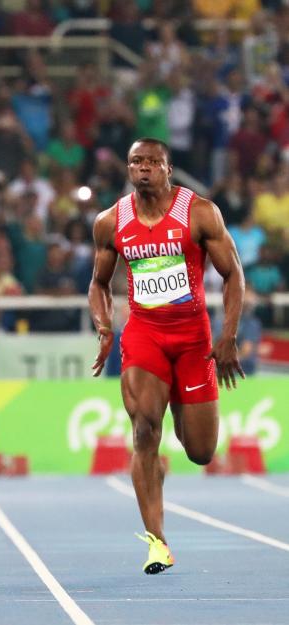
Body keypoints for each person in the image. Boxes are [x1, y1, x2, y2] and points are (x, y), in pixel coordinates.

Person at [89, 138, 245, 575]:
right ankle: (158, 541)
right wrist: (104, 327)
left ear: (168, 168)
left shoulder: (198, 213)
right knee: (143, 429)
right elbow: (98, 283)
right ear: (128, 168)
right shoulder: (110, 221)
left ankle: (175, 425)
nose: (143, 168)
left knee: (200, 451)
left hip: (194, 337)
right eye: (136, 161)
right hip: (144, 334)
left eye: (152, 162)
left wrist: (228, 335)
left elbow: (233, 275)